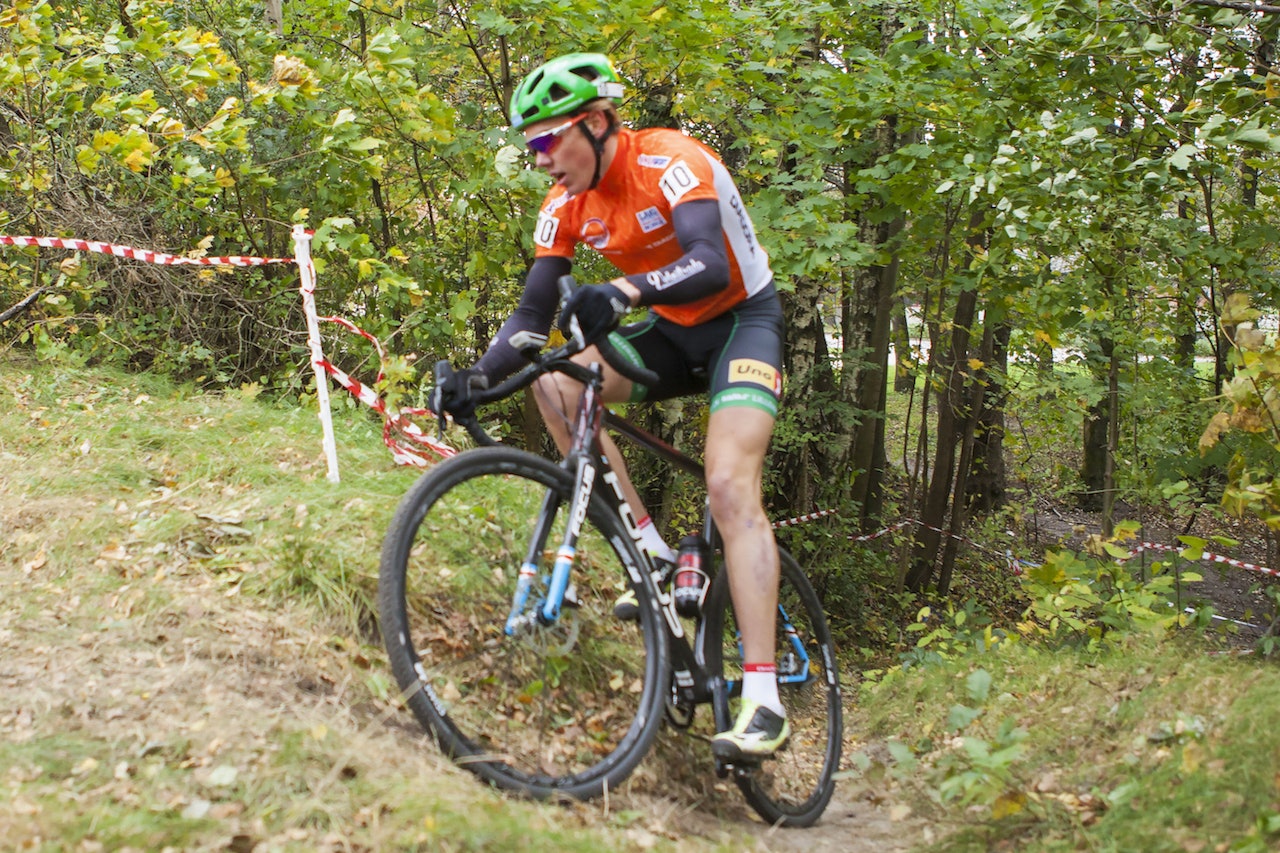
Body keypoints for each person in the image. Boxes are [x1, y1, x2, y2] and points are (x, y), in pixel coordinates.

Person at [434, 53, 788, 760]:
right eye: (527, 147)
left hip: (742, 324)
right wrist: (477, 374)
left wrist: (624, 292)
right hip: (668, 333)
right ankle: (651, 556)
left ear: (595, 125)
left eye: (545, 142)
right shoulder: (565, 205)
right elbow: (534, 317)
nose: (539, 161)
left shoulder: (672, 162)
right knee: (555, 380)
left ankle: (763, 697)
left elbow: (709, 261)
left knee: (726, 485)